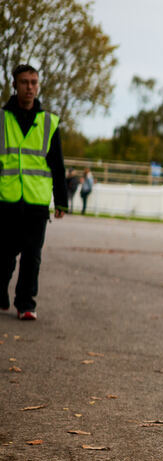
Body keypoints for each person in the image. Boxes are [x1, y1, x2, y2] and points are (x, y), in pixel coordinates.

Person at [0, 64, 67, 321]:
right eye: (25, 82)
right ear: (15, 85)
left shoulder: (48, 122)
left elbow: (57, 165)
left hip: (37, 203)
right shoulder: (2, 119)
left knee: (32, 257)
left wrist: (61, 200)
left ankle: (26, 303)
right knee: (3, 257)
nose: (30, 87)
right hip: (5, 201)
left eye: (34, 82)